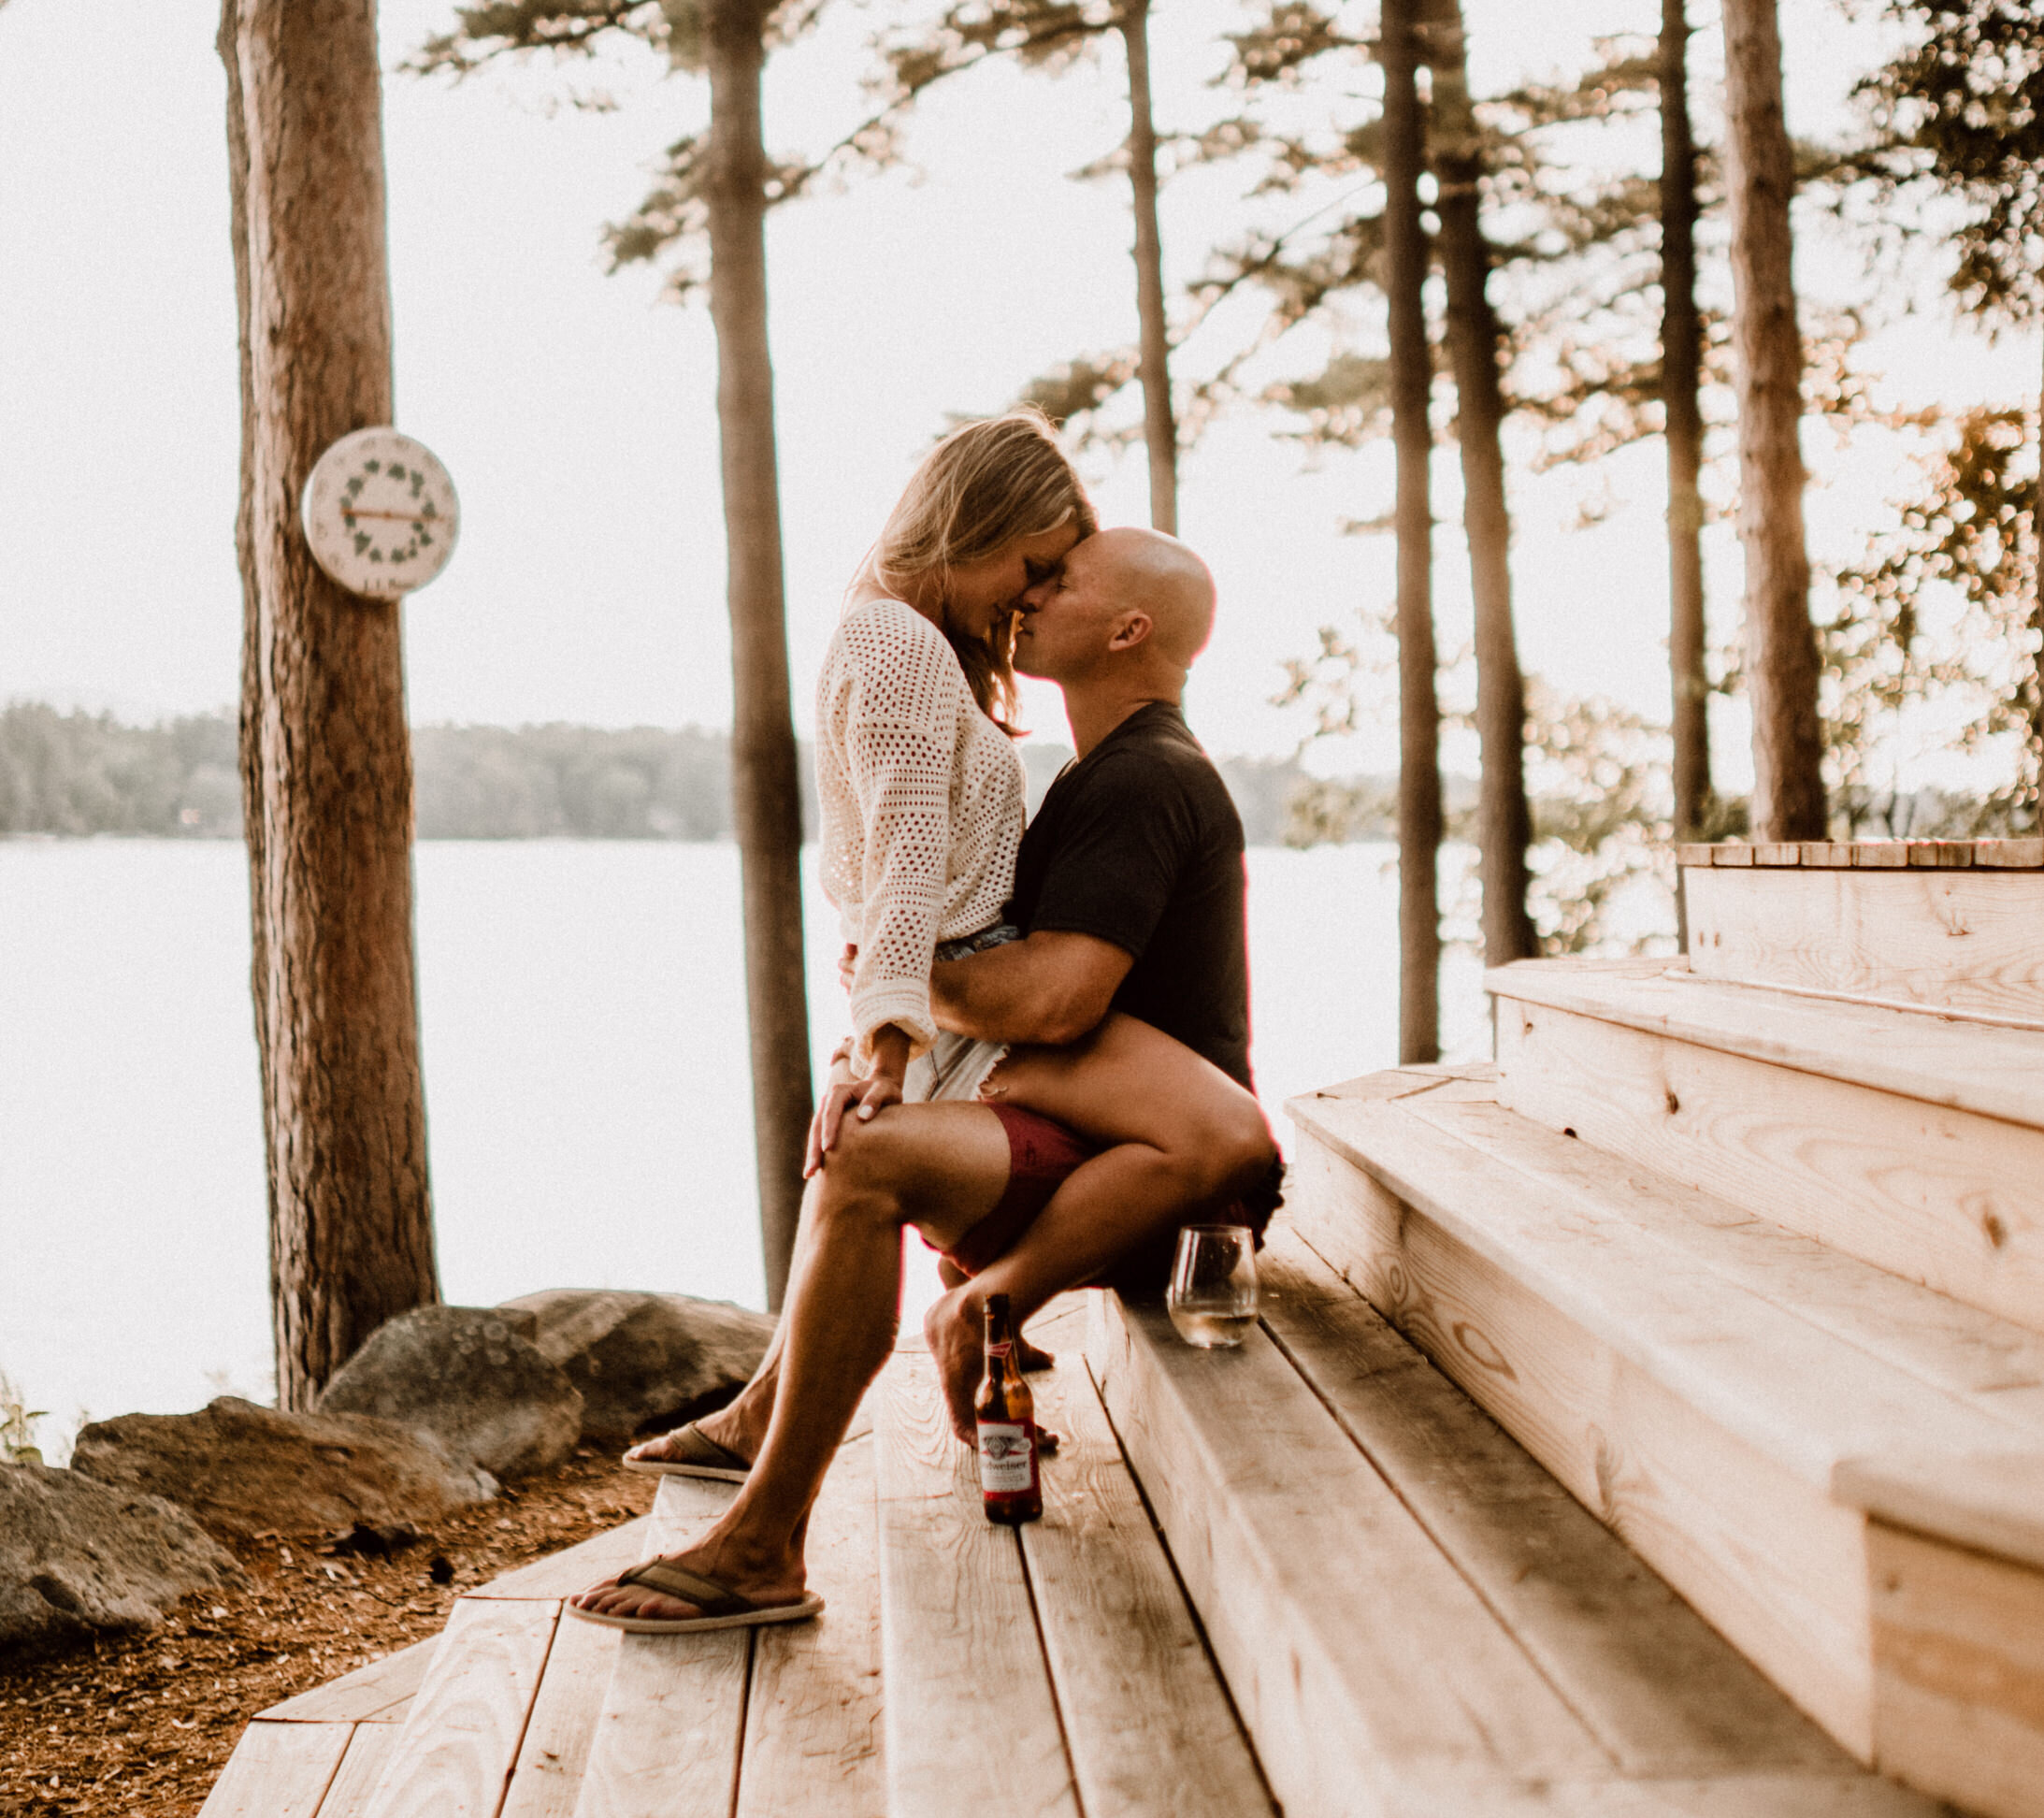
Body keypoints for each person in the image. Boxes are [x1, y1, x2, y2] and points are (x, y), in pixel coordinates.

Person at [567, 423, 1274, 1633]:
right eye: (1034, 565)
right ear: (978, 526)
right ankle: (762, 1430)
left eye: (1059, 577)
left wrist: (892, 1020)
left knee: (869, 1150)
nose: (1032, 596)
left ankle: (764, 1542)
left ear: (1125, 630)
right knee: (859, 1137)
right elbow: (904, 862)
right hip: (1061, 1111)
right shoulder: (905, 646)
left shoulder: (1124, 764)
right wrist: (883, 1025)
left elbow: (1033, 982)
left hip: (1132, 1166)